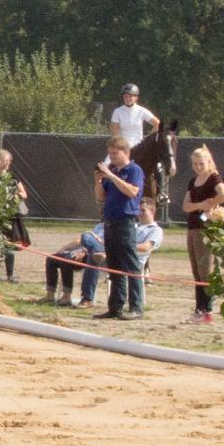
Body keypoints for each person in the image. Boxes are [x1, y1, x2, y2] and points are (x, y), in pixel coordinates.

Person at [93, 137, 145, 320]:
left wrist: (112, 176)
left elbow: (132, 192)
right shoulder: (113, 171)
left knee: (131, 265)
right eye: (110, 153)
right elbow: (101, 197)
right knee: (115, 267)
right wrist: (98, 181)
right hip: (110, 222)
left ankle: (136, 307)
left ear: (125, 152)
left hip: (125, 222)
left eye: (115, 153)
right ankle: (115, 306)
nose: (112, 157)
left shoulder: (134, 170)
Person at [181, 147, 224, 324]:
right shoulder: (193, 181)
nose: (198, 167)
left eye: (201, 163)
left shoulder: (213, 178)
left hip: (206, 228)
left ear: (208, 162)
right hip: (193, 226)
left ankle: (206, 310)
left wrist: (212, 203)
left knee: (205, 270)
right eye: (195, 164)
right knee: (196, 269)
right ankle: (199, 309)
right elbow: (186, 206)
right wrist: (200, 204)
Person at [0, 150, 30, 282]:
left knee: (9, 246)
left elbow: (24, 194)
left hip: (11, 216)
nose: (6, 163)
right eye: (3, 160)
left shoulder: (13, 178)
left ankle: (10, 275)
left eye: (8, 160)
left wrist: (15, 196)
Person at [42, 223, 105, 307]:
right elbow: (81, 240)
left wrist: (84, 251)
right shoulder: (99, 226)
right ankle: (50, 295)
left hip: (98, 256)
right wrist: (65, 248)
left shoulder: (114, 228)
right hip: (82, 251)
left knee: (66, 261)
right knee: (51, 259)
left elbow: (102, 245)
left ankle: (66, 297)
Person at [108, 84, 158, 148]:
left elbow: (157, 124)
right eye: (126, 96)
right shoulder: (117, 112)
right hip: (123, 147)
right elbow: (114, 133)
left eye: (130, 96)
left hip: (139, 147)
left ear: (136, 98)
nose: (128, 98)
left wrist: (149, 138)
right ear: (123, 97)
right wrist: (120, 146)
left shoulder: (142, 111)